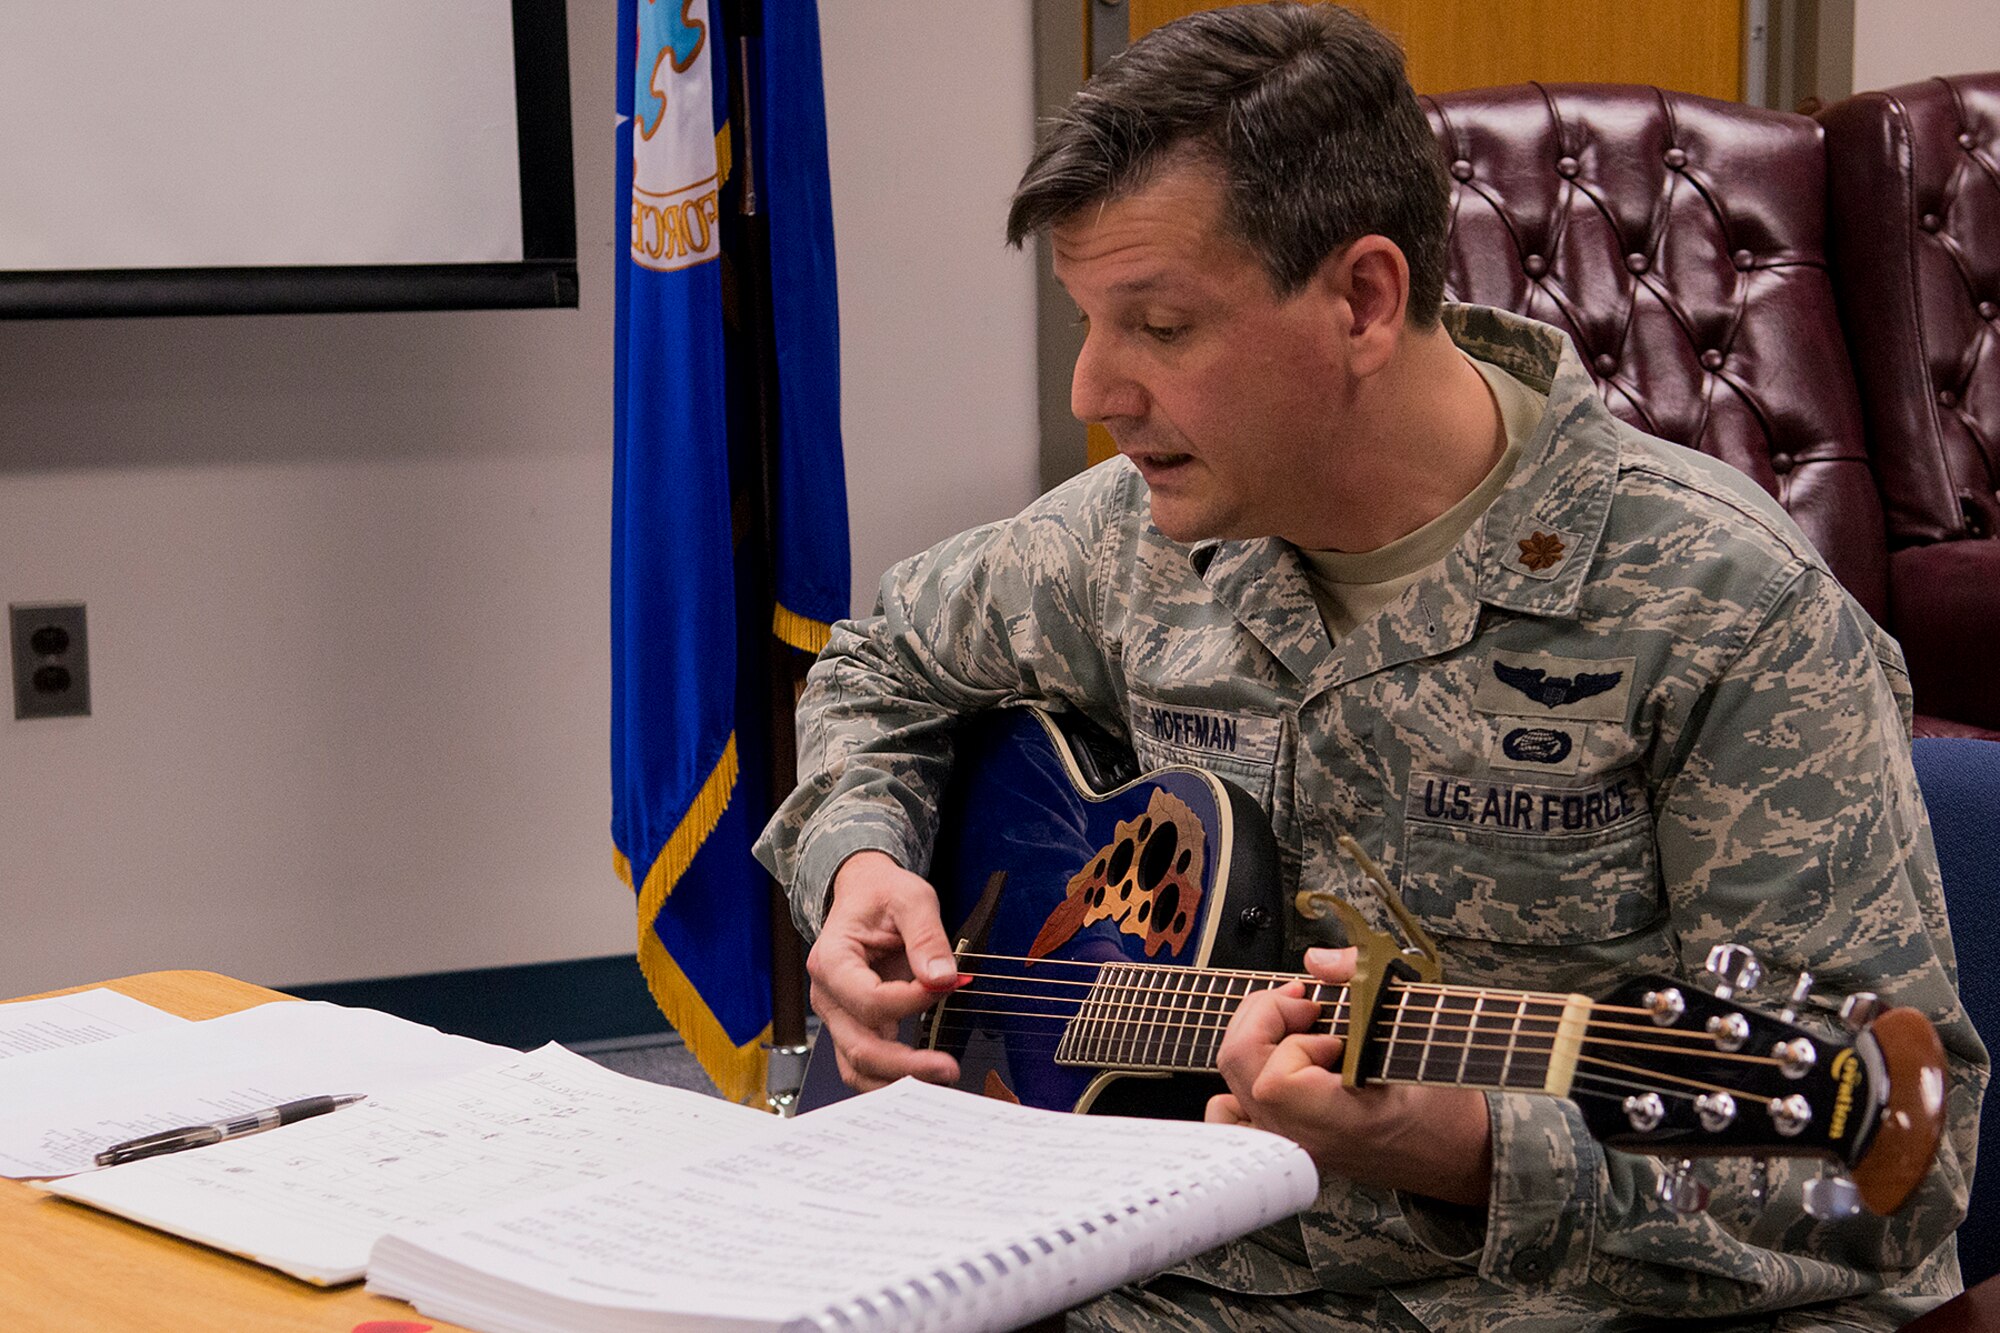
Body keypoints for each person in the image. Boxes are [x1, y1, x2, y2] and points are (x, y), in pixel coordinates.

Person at [754, 4, 1985, 1329]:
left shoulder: (1724, 610)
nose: (1092, 390)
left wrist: (1472, 1150)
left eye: (1159, 325)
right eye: (1087, 321)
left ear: (1363, 298)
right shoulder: (1130, 544)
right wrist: (863, 865)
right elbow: (881, 662)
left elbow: (1884, 1187)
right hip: (1150, 1270)